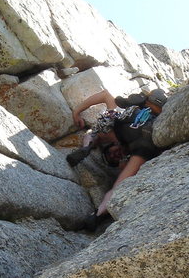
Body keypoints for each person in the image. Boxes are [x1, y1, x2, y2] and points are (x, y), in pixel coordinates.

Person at [67, 88, 167, 228]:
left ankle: (87, 147)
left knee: (96, 133)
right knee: (118, 187)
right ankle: (97, 215)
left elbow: (105, 94)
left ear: (110, 145)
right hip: (147, 138)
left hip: (129, 127)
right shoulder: (135, 158)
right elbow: (105, 95)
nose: (115, 155)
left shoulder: (114, 134)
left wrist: (76, 112)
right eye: (115, 160)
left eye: (110, 154)